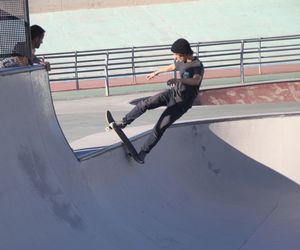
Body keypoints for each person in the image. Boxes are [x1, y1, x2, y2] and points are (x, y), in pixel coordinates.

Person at [114, 38, 205, 164]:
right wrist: (156, 72)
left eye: (176, 55)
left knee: (159, 128)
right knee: (146, 103)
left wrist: (179, 81)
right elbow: (171, 66)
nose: (174, 57)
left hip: (181, 105)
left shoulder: (197, 66)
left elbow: (196, 81)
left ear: (183, 54)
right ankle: (123, 122)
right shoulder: (180, 61)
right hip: (172, 94)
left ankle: (143, 154)